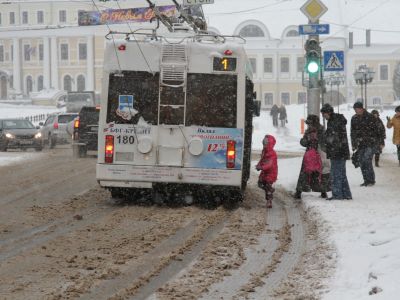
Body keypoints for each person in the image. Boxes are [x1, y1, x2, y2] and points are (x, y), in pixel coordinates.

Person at [293, 115, 331, 200]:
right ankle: (301, 191)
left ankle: (321, 191)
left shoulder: (319, 131)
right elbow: (304, 142)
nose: (308, 125)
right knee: (312, 173)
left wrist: (315, 140)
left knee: (312, 173)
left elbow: (324, 142)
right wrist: (307, 140)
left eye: (309, 123)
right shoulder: (312, 131)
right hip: (312, 155)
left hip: (316, 155)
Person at [320, 103, 352, 200]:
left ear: (328, 112)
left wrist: (325, 139)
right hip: (341, 151)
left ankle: (337, 195)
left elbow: (333, 137)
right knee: (341, 174)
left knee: (335, 174)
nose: (323, 116)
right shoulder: (337, 120)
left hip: (337, 152)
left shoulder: (334, 121)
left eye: (324, 114)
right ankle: (346, 194)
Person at [351, 102, 380, 186]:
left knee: (366, 160)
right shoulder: (354, 118)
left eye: (357, 109)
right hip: (361, 143)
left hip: (371, 143)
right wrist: (353, 143)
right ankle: (366, 179)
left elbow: (378, 130)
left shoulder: (370, 117)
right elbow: (352, 132)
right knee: (361, 161)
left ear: (362, 108)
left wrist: (379, 142)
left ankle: (371, 180)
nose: (356, 111)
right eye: (355, 109)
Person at [256, 134, 278, 209]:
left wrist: (262, 167)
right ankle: (270, 190)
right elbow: (262, 160)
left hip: (271, 172)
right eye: (263, 142)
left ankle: (269, 201)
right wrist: (258, 165)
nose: (264, 144)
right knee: (260, 183)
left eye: (266, 142)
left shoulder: (272, 153)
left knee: (267, 186)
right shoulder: (264, 151)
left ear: (269, 143)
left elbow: (270, 164)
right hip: (265, 171)